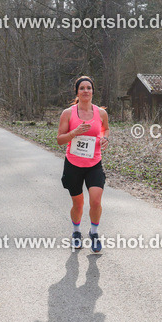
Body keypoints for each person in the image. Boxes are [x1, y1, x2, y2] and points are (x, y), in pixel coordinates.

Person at [56, 75, 109, 253]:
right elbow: (59, 140)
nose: (86, 90)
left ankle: (94, 233)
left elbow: (105, 129)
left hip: (94, 163)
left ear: (93, 91)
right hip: (73, 164)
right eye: (82, 88)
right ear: (77, 92)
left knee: (95, 201)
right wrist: (74, 133)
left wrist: (104, 138)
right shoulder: (68, 113)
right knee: (78, 204)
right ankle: (76, 231)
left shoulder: (101, 113)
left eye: (89, 88)